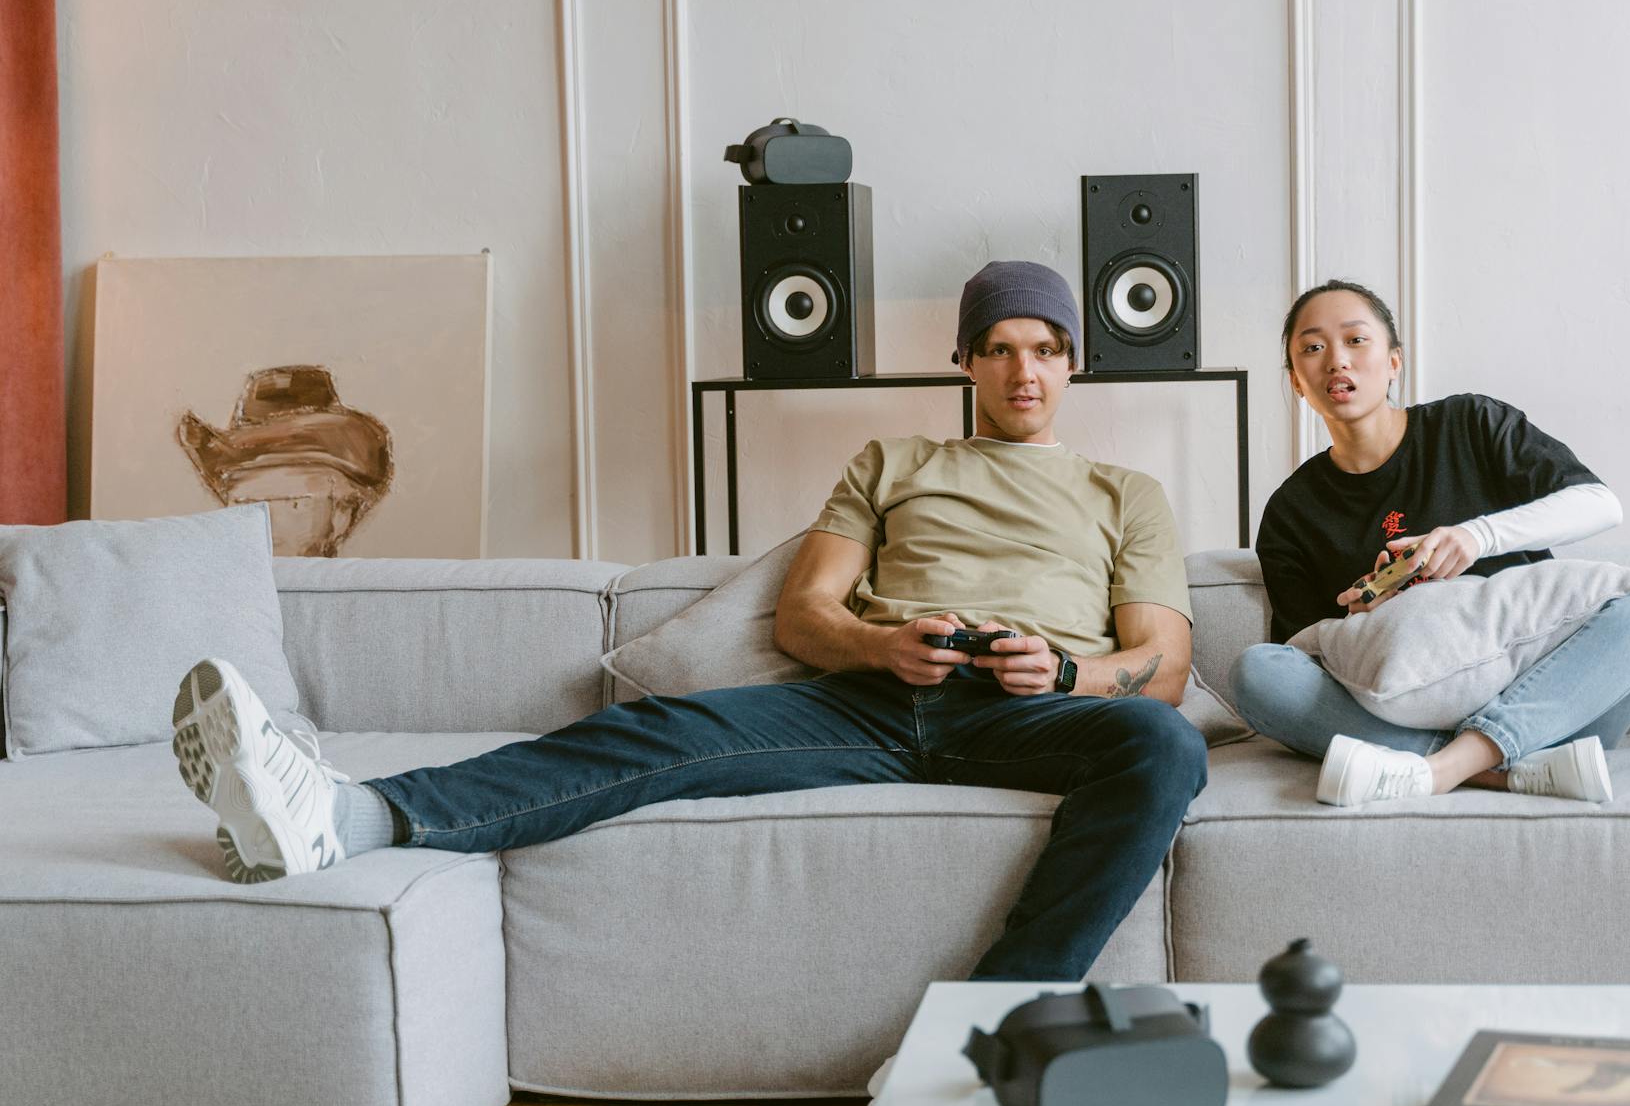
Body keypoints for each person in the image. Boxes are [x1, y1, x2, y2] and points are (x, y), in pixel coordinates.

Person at [169, 259, 1207, 983]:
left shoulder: (1127, 493)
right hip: (878, 695)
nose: (1025, 371)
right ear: (966, 362)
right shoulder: (895, 463)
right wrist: (880, 643)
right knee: (651, 734)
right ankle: (348, 817)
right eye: (1002, 348)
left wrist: (1066, 674)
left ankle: (993, 1025)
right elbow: (805, 614)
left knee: (1162, 744)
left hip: (1030, 712)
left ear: (1075, 364)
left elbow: (1162, 667)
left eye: (1047, 349)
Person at [1229, 279, 1630, 807]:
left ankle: (1439, 767)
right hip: (1459, 723)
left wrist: (1475, 536)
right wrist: (1372, 611)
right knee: (1256, 673)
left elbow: (1600, 503)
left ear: (1394, 362)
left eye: (1356, 340)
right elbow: (1302, 655)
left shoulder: (1469, 424)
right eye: (1313, 348)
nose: (1336, 361)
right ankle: (1501, 770)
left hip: (1549, 705)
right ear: (1296, 382)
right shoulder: (1292, 511)